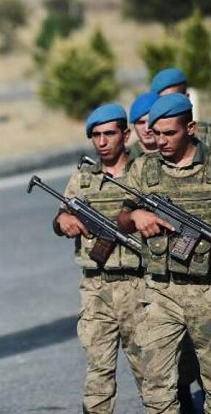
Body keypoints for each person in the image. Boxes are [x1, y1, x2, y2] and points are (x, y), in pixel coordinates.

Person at [117, 93, 211, 413]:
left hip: (207, 291)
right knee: (156, 384)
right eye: (156, 133)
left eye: (169, 133)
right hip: (160, 291)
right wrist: (136, 217)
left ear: (191, 128)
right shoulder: (144, 169)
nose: (161, 141)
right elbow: (123, 217)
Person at [53, 104, 145, 413]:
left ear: (125, 135)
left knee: (152, 375)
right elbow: (63, 212)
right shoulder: (83, 177)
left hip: (141, 284)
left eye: (109, 134)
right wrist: (62, 221)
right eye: (96, 135)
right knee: (98, 375)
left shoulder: (145, 172)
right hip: (96, 288)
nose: (102, 141)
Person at [128, 91, 160, 159]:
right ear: (134, 125)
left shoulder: (177, 154)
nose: (147, 129)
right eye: (141, 123)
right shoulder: (126, 157)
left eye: (152, 121)